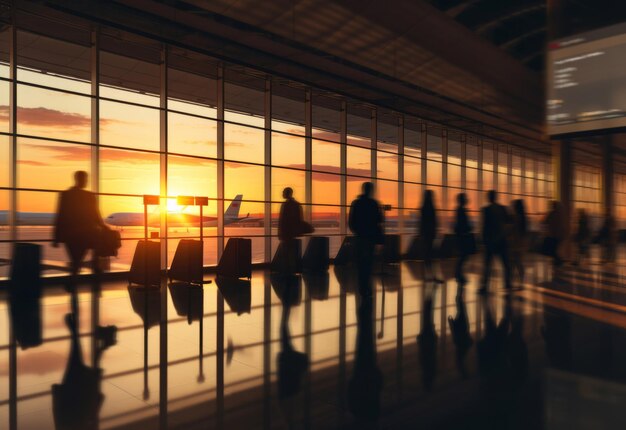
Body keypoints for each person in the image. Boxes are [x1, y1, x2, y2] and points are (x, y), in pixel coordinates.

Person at [53, 171, 105, 277]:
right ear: (81, 180)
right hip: (85, 234)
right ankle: (95, 269)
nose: (86, 182)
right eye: (86, 179)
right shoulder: (89, 196)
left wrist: (56, 237)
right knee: (91, 252)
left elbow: (60, 216)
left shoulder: (65, 195)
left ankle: (73, 281)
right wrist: (103, 226)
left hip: (70, 235)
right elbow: (95, 214)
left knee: (76, 260)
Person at [349, 182, 384, 297]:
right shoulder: (374, 204)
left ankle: (362, 286)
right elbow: (380, 221)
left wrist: (357, 231)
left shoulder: (356, 203)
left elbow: (351, 221)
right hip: (370, 237)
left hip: (360, 237)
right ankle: (367, 286)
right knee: (368, 262)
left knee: (360, 263)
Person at [480, 190, 512, 293]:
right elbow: (509, 222)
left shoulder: (486, 209)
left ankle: (485, 286)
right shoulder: (503, 209)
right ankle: (507, 283)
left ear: (489, 198)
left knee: (488, 265)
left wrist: (484, 240)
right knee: (505, 264)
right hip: (501, 240)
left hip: (490, 241)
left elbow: (485, 226)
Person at [278, 187, 306, 273]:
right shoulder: (296, 204)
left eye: (283, 192)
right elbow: (299, 219)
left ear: (287, 193)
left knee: (286, 253)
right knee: (291, 252)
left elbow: (283, 220)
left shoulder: (286, 205)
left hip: (287, 233)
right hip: (292, 232)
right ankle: (292, 270)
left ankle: (288, 270)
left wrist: (280, 232)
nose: (282, 193)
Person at [420, 190, 442, 283]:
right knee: (431, 255)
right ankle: (432, 275)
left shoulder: (424, 208)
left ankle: (427, 275)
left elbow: (422, 222)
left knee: (427, 255)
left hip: (426, 234)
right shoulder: (431, 207)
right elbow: (434, 221)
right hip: (430, 233)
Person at [453, 193, 473, 285]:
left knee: (463, 256)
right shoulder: (461, 211)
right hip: (463, 236)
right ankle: (458, 273)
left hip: (461, 236)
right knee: (463, 256)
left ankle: (458, 273)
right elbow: (463, 224)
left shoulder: (459, 210)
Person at [510, 199, 528, 286]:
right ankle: (520, 279)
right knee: (517, 261)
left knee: (514, 261)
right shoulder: (523, 217)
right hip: (521, 242)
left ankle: (513, 280)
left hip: (515, 242)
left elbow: (512, 229)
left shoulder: (516, 217)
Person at [542, 201, 566, 268]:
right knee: (554, 250)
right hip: (559, 235)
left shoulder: (551, 214)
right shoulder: (560, 214)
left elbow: (544, 222)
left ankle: (558, 261)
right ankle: (558, 262)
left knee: (552, 250)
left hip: (553, 235)